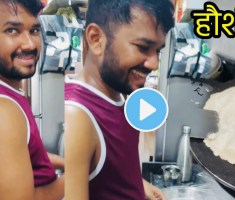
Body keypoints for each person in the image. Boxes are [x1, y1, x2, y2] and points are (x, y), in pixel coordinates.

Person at [64, 0, 174, 199]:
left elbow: (110, 168)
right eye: (142, 47)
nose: (154, 64)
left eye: (158, 50)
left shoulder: (117, 92)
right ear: (96, 39)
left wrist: (138, 184)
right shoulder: (78, 115)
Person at [0, 0, 64, 199]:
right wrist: (83, 173)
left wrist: (67, 163)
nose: (29, 43)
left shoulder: (12, 93)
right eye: (12, 30)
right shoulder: (5, 111)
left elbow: (29, 155)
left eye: (34, 30)